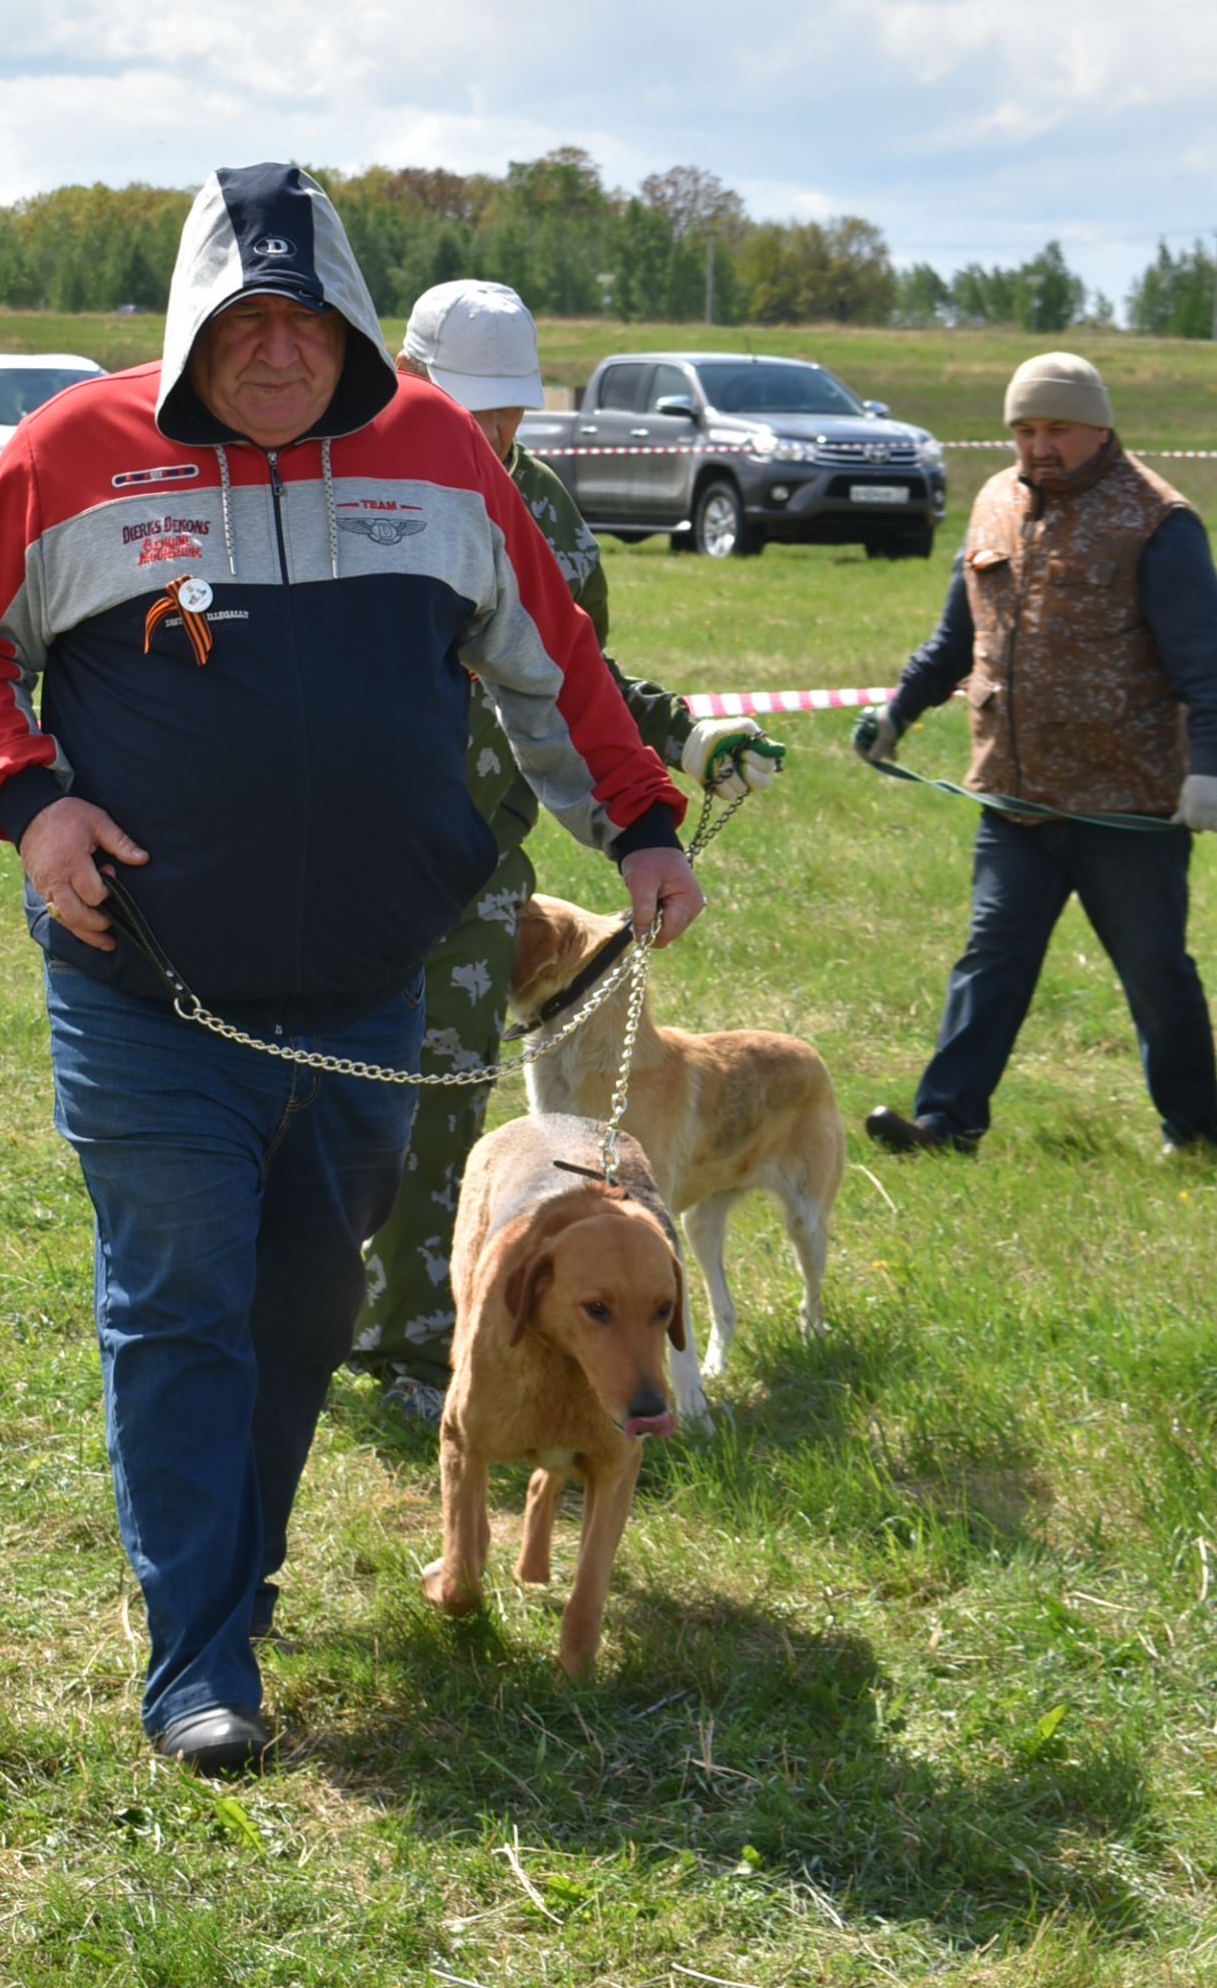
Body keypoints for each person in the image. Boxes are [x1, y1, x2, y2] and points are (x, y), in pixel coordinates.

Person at [0, 165, 705, 1776]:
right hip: (149, 991)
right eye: (244, 320)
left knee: (303, 1308)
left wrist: (636, 820)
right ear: (193, 325)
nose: (278, 351)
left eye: (308, 319)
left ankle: (236, 1579)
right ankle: (200, 1657)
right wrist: (33, 799)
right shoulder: (71, 456)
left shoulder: (432, 457)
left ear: (349, 323)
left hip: (365, 995)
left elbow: (550, 655)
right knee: (181, 1300)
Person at [349, 278, 784, 1420]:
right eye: (470, 408)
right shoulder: (341, 475)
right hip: (337, 848)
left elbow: (572, 667)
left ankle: (407, 1347)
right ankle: (289, 1309)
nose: (493, 435)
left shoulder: (542, 509)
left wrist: (687, 729)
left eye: (510, 413)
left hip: (475, 855)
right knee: (316, 1097)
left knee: (440, 1093)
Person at [862, 350, 1217, 1163]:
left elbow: (1206, 662)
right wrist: (897, 713)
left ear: (1099, 428)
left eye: (1057, 428)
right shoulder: (992, 505)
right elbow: (958, 638)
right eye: (1024, 429)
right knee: (991, 959)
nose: (1038, 446)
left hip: (1124, 805)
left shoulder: (1157, 521)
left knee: (1156, 976)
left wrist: (1208, 768)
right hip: (1014, 800)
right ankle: (946, 1125)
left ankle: (1195, 1131)